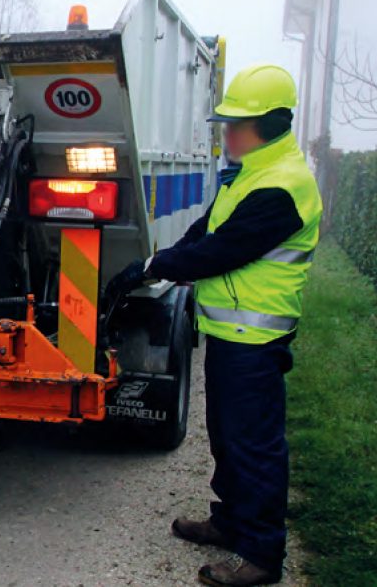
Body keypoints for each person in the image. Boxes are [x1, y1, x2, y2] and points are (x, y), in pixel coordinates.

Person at [105, 64, 322, 586]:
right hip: (232, 334)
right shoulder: (250, 174)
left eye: (236, 124)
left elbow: (221, 252)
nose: (227, 133)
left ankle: (262, 555)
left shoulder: (283, 186)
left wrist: (154, 269)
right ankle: (229, 522)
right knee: (227, 436)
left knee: (255, 445)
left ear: (269, 124)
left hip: (256, 340)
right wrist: (160, 259)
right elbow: (205, 232)